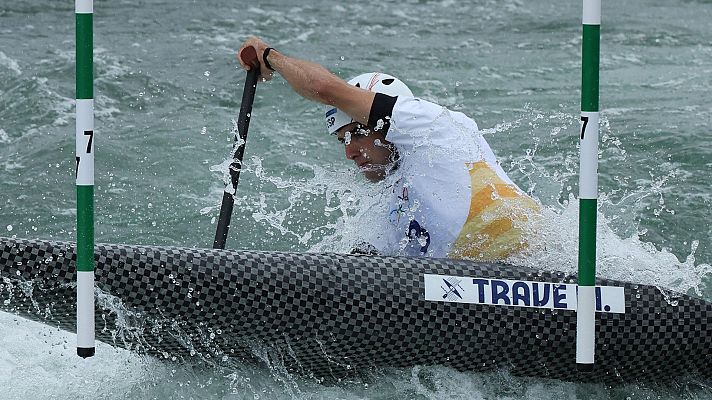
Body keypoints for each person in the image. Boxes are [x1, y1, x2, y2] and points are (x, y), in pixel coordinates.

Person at [237, 37, 540, 261]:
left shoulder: (426, 124)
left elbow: (326, 90)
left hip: (544, 274)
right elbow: (363, 268)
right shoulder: (391, 206)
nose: (350, 152)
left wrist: (268, 56)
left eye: (357, 132)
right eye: (342, 139)